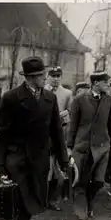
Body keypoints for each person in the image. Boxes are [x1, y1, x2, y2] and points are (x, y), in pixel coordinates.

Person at [0, 56, 69, 220]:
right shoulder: (11, 98)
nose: (46, 78)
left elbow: (57, 132)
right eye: (42, 75)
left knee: (35, 196)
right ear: (30, 77)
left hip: (40, 158)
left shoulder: (50, 99)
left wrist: (63, 159)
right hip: (17, 158)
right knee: (21, 197)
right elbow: (1, 132)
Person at [67, 71, 111, 220]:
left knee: (98, 181)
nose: (108, 86)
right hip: (83, 147)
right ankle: (81, 207)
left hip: (102, 147)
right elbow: (73, 126)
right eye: (105, 82)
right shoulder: (79, 100)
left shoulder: (109, 100)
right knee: (81, 180)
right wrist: (70, 146)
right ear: (96, 83)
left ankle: (90, 200)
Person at [45, 66, 73, 211]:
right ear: (48, 76)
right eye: (53, 76)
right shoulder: (42, 91)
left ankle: (53, 200)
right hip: (43, 136)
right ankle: (42, 198)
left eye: (58, 76)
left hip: (59, 134)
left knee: (58, 169)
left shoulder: (67, 93)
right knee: (45, 169)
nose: (56, 79)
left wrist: (64, 115)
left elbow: (71, 113)